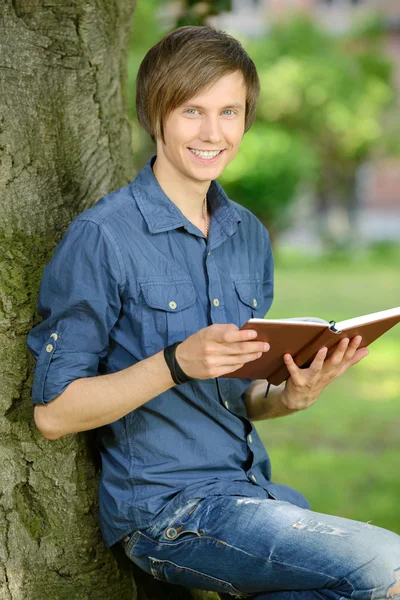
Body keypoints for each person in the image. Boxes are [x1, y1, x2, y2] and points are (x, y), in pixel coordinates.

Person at [27, 24, 400, 600]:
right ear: (156, 116)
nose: (213, 132)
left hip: (252, 498)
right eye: (192, 111)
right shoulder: (103, 237)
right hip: (168, 513)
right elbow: (53, 414)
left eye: (229, 112)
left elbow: (233, 395)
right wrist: (174, 362)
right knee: (388, 565)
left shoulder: (246, 234)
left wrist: (287, 398)